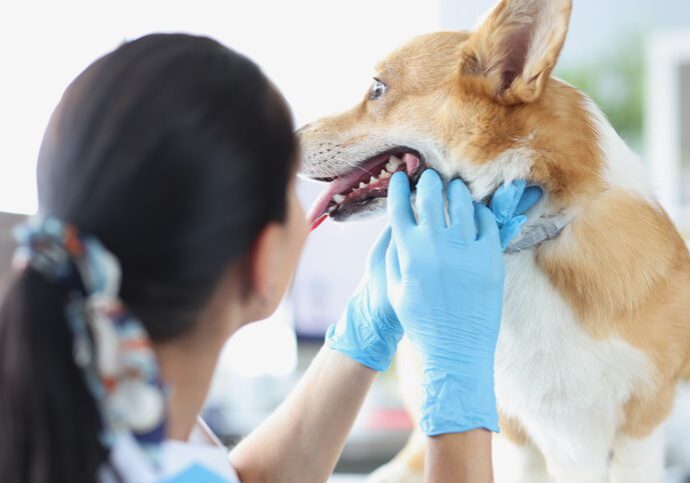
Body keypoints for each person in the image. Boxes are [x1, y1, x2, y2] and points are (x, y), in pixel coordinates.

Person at [0, 34, 540, 483]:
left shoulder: (96, 408)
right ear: (261, 259)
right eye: (293, 191)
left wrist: (364, 331)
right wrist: (458, 380)